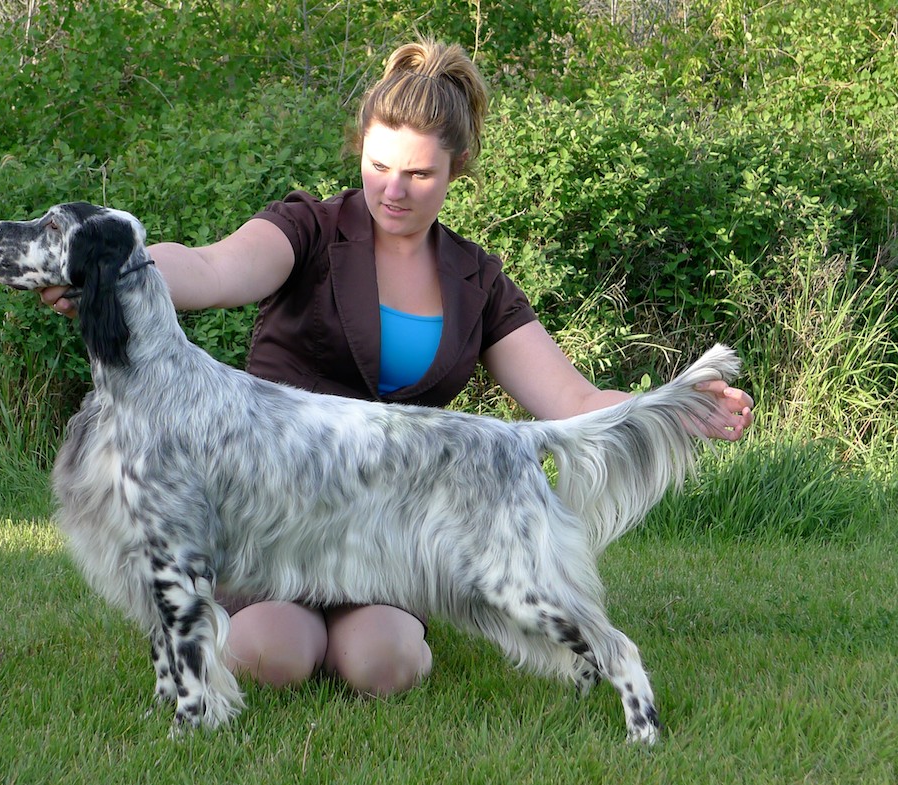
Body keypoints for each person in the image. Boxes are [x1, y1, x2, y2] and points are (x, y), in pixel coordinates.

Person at [41, 39, 754, 698]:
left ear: (456, 169)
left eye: (419, 173)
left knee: (384, 665)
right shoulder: (307, 229)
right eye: (379, 166)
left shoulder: (477, 282)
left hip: (386, 535)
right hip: (277, 523)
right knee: (272, 656)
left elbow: (571, 397)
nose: (394, 189)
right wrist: (118, 273)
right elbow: (211, 267)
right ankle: (275, 630)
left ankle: (373, 630)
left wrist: (680, 408)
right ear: (360, 146)